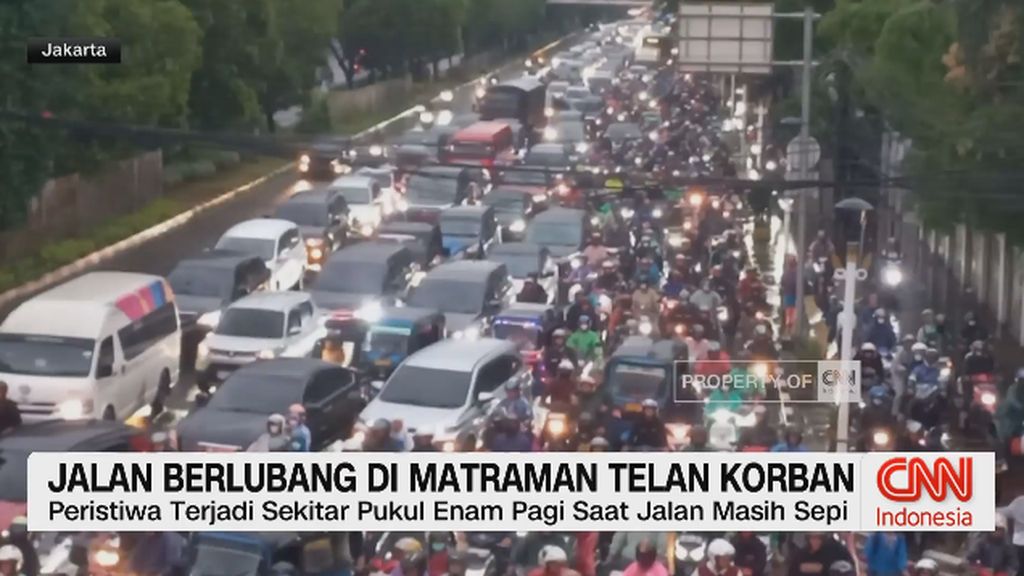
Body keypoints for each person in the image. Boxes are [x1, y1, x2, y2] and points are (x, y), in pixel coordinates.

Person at [786, 533, 852, 576]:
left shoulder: (837, 550)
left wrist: (824, 568)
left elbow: (847, 568)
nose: (815, 541)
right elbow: (792, 571)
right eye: (812, 537)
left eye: (819, 538)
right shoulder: (801, 555)